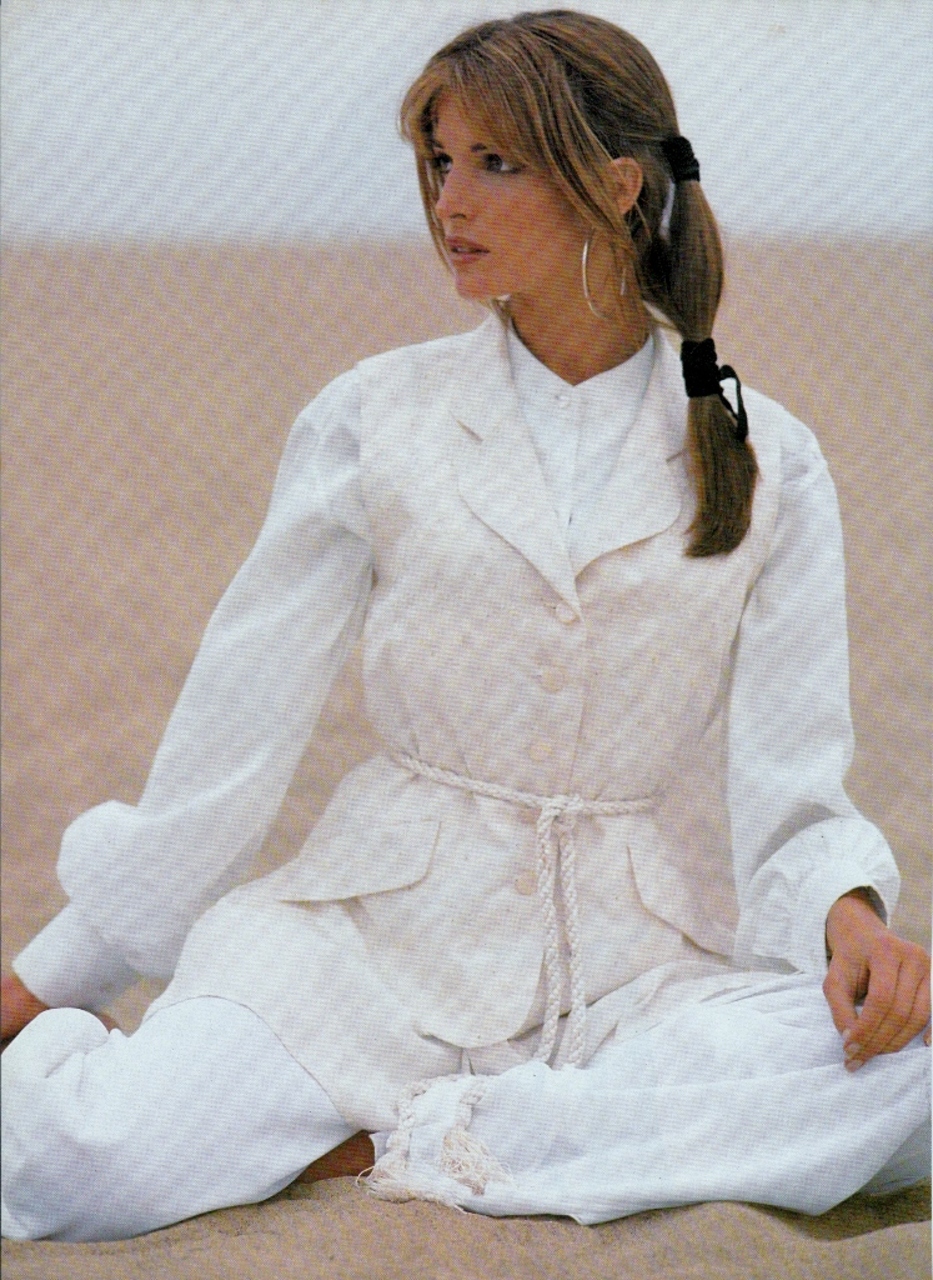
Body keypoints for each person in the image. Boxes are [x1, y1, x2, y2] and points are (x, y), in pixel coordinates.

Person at [2, 10, 929, 1242]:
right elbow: (233, 738)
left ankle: (401, 1137)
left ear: (617, 184)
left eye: (496, 162)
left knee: (905, 1082)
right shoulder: (370, 418)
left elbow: (790, 781)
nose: (450, 201)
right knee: (84, 1164)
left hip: (626, 962)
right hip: (367, 940)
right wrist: (49, 976)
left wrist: (850, 913)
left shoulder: (773, 458)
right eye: (440, 162)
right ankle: (497, 1131)